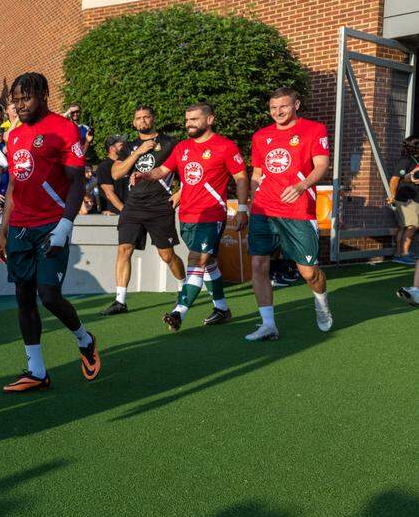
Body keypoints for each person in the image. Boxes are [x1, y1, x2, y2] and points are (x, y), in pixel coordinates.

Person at [0, 72, 100, 393]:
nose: (20, 104)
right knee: (23, 297)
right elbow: (14, 185)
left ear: (43, 94)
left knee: (49, 296)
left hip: (51, 226)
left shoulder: (64, 129)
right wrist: (3, 232)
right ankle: (37, 371)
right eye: (16, 99)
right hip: (20, 229)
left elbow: (77, 182)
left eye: (26, 97)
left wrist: (65, 225)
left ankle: (84, 339)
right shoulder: (14, 136)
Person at [132, 104, 249, 331]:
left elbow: (241, 177)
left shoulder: (225, 146)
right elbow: (163, 170)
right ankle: (222, 309)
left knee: (197, 261)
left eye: (194, 119)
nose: (189, 124)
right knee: (209, 262)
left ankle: (178, 312)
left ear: (210, 119)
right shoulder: (182, 147)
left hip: (211, 215)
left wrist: (242, 208)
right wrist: (145, 174)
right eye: (187, 120)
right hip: (186, 215)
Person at [246, 87, 332, 341]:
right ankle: (268, 324)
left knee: (309, 272)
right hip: (264, 209)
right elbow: (257, 174)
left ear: (296, 104)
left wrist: (301, 186)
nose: (277, 112)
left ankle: (321, 302)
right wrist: (252, 204)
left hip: (298, 210)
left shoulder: (314, 130)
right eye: (273, 108)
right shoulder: (261, 136)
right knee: (258, 264)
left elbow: (322, 165)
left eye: (283, 106)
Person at [100, 106, 185, 315]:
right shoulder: (129, 146)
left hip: (159, 206)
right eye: (138, 118)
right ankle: (120, 301)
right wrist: (138, 152)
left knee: (167, 255)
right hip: (133, 205)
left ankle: (185, 287)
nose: (143, 121)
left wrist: (180, 193)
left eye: (146, 117)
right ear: (134, 123)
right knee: (124, 249)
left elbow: (187, 169)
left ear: (153, 119)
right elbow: (116, 173)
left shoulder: (170, 143)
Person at [387, 135, 418, 264]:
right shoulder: (405, 160)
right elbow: (395, 179)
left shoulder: (415, 160)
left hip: (413, 199)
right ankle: (404, 253)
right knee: (412, 226)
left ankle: (398, 254)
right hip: (406, 199)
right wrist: (392, 196)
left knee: (404, 227)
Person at [95, 134, 127, 216]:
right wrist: (125, 212)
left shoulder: (126, 164)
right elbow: (109, 193)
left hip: (129, 213)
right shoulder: (104, 166)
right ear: (112, 148)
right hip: (114, 215)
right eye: (121, 145)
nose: (125, 147)